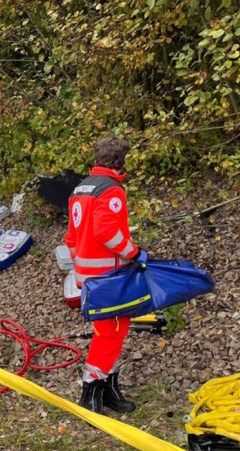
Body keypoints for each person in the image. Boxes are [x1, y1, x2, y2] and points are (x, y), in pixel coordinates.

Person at [65, 136, 142, 414]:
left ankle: (107, 389)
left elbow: (73, 237)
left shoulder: (81, 189)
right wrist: (134, 253)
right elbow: (106, 232)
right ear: (121, 161)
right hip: (109, 276)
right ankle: (91, 390)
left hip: (89, 276)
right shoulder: (112, 190)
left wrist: (81, 269)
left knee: (111, 331)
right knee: (110, 333)